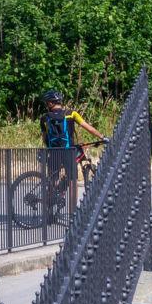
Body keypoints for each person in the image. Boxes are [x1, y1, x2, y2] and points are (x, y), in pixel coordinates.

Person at [40, 90, 106, 220]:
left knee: (53, 180)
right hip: (68, 151)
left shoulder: (44, 118)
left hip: (53, 152)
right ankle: (72, 215)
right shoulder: (71, 114)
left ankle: (48, 212)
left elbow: (44, 138)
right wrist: (102, 137)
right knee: (73, 181)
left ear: (50, 103)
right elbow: (88, 127)